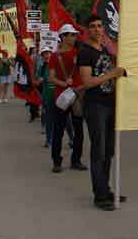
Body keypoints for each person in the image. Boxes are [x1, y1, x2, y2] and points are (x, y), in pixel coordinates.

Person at [78, 15, 125, 211]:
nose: (97, 29)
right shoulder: (85, 52)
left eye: (99, 26)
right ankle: (99, 195)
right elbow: (87, 82)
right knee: (99, 150)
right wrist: (111, 74)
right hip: (95, 106)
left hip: (110, 104)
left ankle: (105, 189)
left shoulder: (105, 50)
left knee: (108, 150)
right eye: (92, 27)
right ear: (87, 30)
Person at [49, 24, 87, 173]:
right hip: (62, 97)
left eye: (74, 35)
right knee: (58, 130)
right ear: (63, 37)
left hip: (77, 95)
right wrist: (63, 84)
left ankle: (76, 160)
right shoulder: (55, 56)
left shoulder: (80, 52)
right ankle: (56, 162)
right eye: (71, 35)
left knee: (79, 130)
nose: (74, 37)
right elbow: (51, 77)